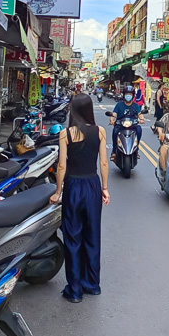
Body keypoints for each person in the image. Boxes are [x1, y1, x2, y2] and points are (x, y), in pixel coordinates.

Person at [50, 93, 109, 304]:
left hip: (73, 186)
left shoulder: (66, 134)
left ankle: (74, 290)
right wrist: (105, 188)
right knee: (92, 235)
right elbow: (103, 163)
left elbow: (62, 166)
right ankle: (92, 284)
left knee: (72, 238)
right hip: (92, 185)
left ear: (72, 110)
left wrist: (58, 192)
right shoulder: (100, 131)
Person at [110, 84, 144, 161]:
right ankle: (114, 151)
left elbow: (140, 114)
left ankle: (136, 148)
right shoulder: (119, 105)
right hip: (120, 124)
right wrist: (112, 119)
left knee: (139, 129)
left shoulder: (136, 106)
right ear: (124, 95)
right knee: (115, 131)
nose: (128, 96)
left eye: (130, 94)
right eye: (127, 94)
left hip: (132, 125)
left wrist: (141, 119)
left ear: (133, 95)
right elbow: (114, 114)